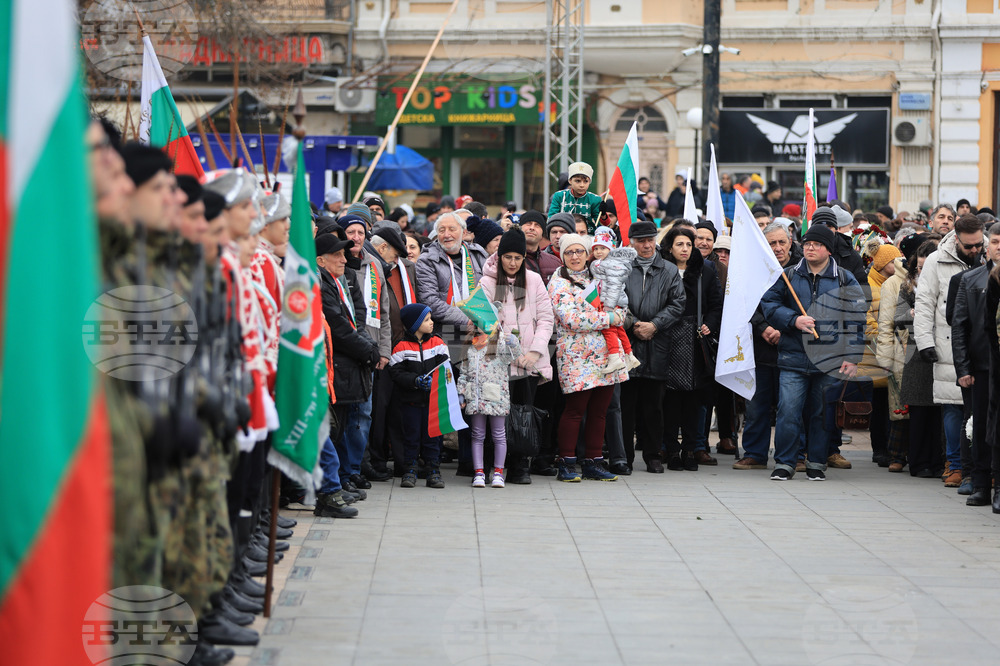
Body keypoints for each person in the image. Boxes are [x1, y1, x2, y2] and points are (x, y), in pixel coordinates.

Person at [761, 223, 865, 481]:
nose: (810, 248)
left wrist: (852, 357)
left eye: (816, 244)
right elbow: (769, 304)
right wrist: (793, 319)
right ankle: (785, 462)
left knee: (821, 414)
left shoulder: (844, 278)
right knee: (787, 412)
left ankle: (816, 462)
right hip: (793, 357)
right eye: (807, 244)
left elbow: (857, 320)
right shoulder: (788, 275)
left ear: (828, 250)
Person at [548, 233, 628, 482]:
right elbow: (570, 318)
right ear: (562, 256)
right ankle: (567, 461)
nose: (575, 257)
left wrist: (616, 315)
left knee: (600, 411)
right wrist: (607, 319)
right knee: (575, 410)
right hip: (576, 356)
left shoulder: (600, 277)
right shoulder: (559, 282)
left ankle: (594, 460)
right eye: (569, 252)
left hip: (607, 353)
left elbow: (620, 306)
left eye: (579, 252)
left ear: (587, 254)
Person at [480, 227, 555, 484]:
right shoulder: (487, 281)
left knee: (523, 414)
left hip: (528, 363)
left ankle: (520, 465)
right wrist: (511, 353)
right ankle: (494, 464)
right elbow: (485, 322)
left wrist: (533, 353)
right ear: (499, 256)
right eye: (507, 257)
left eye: (518, 257)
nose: (512, 262)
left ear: (524, 258)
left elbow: (546, 319)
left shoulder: (534, 280)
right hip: (497, 363)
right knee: (497, 414)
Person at [914, 214, 984, 487]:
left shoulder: (989, 254)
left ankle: (979, 467)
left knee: (980, 408)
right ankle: (955, 466)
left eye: (978, 244)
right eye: (969, 246)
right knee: (953, 408)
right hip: (946, 341)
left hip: (981, 343)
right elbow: (925, 302)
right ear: (956, 239)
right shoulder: (935, 260)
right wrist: (925, 342)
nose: (975, 250)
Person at [620, 221, 686, 473]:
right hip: (627, 343)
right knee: (626, 405)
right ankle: (623, 456)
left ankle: (652, 454)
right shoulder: (623, 268)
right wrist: (635, 323)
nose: (646, 245)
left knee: (654, 406)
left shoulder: (668, 269)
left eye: (650, 240)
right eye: (640, 241)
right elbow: (614, 300)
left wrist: (655, 325)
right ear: (631, 242)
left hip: (658, 343)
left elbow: (678, 303)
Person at [315, 232, 370, 518]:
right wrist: (364, 349)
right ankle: (328, 490)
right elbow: (337, 325)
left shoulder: (340, 279)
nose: (343, 258)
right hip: (332, 364)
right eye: (336, 254)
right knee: (331, 429)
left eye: (344, 253)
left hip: (348, 363)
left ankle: (335, 485)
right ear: (320, 260)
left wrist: (365, 345)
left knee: (341, 425)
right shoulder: (320, 283)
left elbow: (356, 315)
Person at [659, 226, 723, 470]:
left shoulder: (705, 270)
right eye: (679, 244)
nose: (685, 249)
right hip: (667, 337)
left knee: (694, 399)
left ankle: (689, 450)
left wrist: (709, 324)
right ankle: (671, 450)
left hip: (695, 340)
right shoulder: (662, 269)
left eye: (688, 244)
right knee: (670, 398)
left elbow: (716, 304)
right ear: (670, 247)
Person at [951, 222, 1000, 505]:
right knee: (979, 426)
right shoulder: (970, 280)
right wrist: (963, 368)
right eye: (994, 241)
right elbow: (960, 326)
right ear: (986, 245)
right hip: (981, 366)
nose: (998, 247)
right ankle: (981, 484)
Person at [388, 304, 452, 488]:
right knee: (411, 437)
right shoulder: (401, 347)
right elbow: (396, 373)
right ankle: (410, 470)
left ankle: (433, 470)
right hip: (410, 403)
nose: (432, 323)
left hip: (433, 403)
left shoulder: (439, 344)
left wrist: (435, 381)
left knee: (433, 437)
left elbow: (446, 369)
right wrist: (415, 380)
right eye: (427, 320)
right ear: (414, 324)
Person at [897, 240, 943, 478]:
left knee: (938, 414)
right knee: (918, 413)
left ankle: (938, 462)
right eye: (920, 268)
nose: (923, 272)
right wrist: (911, 313)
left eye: (928, 268)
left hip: (941, 351)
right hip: (916, 354)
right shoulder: (907, 287)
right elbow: (897, 317)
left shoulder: (945, 285)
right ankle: (917, 462)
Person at [457, 327, 522, 488]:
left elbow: (511, 356)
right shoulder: (470, 345)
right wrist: (461, 393)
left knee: (499, 435)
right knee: (477, 435)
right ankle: (479, 472)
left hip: (496, 396)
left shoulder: (499, 342)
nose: (478, 326)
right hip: (476, 398)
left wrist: (514, 343)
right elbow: (464, 372)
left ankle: (499, 472)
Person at [590, 226, 640, 374]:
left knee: (608, 328)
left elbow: (614, 286)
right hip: (613, 301)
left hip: (611, 303)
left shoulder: (611, 264)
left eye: (602, 248)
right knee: (618, 329)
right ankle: (629, 355)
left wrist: (608, 308)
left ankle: (614, 357)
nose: (598, 252)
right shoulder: (604, 263)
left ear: (610, 249)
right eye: (596, 248)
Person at [547, 161, 602, 232]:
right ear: (570, 181)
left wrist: (603, 216)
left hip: (587, 237)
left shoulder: (595, 199)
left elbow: (600, 226)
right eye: (578, 181)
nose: (582, 185)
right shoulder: (559, 196)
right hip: (563, 236)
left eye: (585, 181)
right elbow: (551, 219)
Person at [517, 210, 562, 283]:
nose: (532, 228)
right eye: (528, 223)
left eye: (537, 225)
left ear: (542, 234)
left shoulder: (555, 262)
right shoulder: (509, 259)